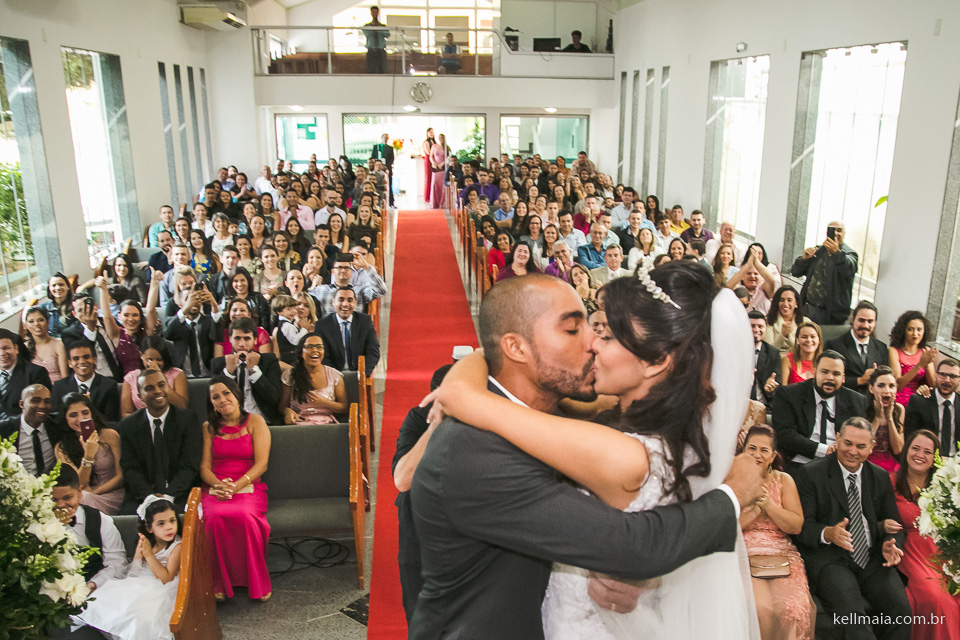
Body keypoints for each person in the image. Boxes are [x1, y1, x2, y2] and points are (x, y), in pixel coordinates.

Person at [410, 268, 763, 639]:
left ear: (657, 360)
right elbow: (631, 542)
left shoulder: (615, 443)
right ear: (516, 347)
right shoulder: (480, 450)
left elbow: (636, 543)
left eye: (604, 334)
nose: (592, 342)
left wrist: (467, 389)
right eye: (574, 329)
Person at [793, 417, 910, 640]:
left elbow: (894, 524)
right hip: (832, 559)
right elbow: (802, 528)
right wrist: (828, 533)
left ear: (872, 447)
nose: (852, 451)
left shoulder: (879, 476)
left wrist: (891, 543)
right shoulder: (811, 474)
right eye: (847, 443)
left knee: (901, 612)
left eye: (860, 446)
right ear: (837, 439)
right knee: (854, 619)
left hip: (873, 556)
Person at [738, 425, 815, 640]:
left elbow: (796, 525)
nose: (757, 454)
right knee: (760, 609)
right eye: (752, 448)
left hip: (782, 553)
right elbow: (727, 527)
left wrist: (768, 506)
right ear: (742, 451)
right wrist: (753, 509)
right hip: (745, 552)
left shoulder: (784, 480)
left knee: (793, 609)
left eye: (764, 450)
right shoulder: (732, 481)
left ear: (773, 456)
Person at [200, 376, 272, 601]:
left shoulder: (256, 422)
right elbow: (204, 466)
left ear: (237, 395)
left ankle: (256, 582)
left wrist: (237, 485)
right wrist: (218, 485)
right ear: (211, 403)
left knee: (245, 517)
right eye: (216, 397)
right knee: (212, 518)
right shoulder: (208, 427)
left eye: (226, 393)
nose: (222, 400)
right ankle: (219, 583)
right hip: (216, 486)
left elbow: (262, 464)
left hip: (249, 485)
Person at [392, 364, 453, 622]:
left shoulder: (482, 419)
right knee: (419, 606)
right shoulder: (418, 419)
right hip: (418, 517)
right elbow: (402, 479)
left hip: (463, 521)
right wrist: (434, 427)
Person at [76, 494, 183, 639]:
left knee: (137, 611)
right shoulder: (148, 543)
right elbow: (133, 572)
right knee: (110, 599)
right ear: (149, 528)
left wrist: (150, 556)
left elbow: (167, 578)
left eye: (172, 521)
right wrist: (139, 555)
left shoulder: (177, 546)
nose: (169, 527)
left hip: (161, 587)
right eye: (161, 524)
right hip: (141, 580)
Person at [890, 429, 960, 640]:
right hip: (911, 550)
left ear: (935, 458)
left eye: (928, 451)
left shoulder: (944, 486)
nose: (920, 455)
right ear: (906, 451)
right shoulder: (889, 481)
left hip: (941, 548)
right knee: (936, 598)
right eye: (915, 448)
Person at [118, 369, 202, 514]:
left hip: (180, 492)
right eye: (149, 388)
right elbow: (131, 468)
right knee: (129, 519)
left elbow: (189, 466)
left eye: (161, 385)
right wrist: (150, 497)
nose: (157, 391)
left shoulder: (187, 420)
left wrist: (168, 496)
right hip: (144, 495)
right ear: (140, 397)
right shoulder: (128, 426)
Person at [771, 350, 869, 468]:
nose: (830, 378)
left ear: (843, 378)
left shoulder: (857, 401)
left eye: (836, 374)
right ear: (815, 372)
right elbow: (785, 435)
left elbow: (859, 438)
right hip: (801, 463)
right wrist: (824, 450)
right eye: (825, 372)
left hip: (840, 465)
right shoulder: (789, 395)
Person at [52, 466, 125, 604]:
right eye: (54, 499)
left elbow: (117, 562)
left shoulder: (100, 520)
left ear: (80, 492)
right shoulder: (35, 525)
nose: (61, 505)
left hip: (95, 595)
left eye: (67, 497)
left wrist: (93, 584)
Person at [54, 392, 125, 514]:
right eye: (73, 415)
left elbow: (121, 477)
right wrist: (88, 455)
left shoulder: (110, 435)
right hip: (82, 494)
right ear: (65, 419)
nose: (81, 419)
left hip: (111, 493)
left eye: (85, 413)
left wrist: (93, 493)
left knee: (83, 498)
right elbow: (79, 484)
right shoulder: (61, 448)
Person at [210, 317, 284, 426]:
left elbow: (274, 398)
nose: (242, 344)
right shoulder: (219, 363)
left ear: (255, 340)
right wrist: (228, 373)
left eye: (247, 339)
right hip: (231, 422)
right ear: (230, 339)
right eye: (237, 338)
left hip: (264, 421)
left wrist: (254, 370)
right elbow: (215, 400)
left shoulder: (268, 360)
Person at [790, 221, 859, 325]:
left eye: (839, 230)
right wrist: (803, 259)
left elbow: (848, 269)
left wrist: (836, 253)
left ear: (844, 234)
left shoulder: (850, 254)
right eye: (832, 230)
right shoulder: (818, 251)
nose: (836, 233)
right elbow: (795, 272)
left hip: (831, 315)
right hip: (808, 308)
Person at [279, 334, 348, 425]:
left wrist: (324, 402)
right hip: (299, 424)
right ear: (301, 352)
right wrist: (287, 411)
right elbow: (282, 407)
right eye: (309, 347)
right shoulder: (290, 375)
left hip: (327, 425)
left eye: (319, 347)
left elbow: (344, 407)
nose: (315, 350)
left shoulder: (335, 375)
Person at [825, 300, 889, 395]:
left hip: (871, 402)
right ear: (853, 319)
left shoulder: (881, 348)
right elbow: (827, 378)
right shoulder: (834, 345)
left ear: (875, 323)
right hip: (843, 399)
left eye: (870, 321)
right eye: (861, 320)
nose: (865, 325)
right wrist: (859, 380)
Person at [314, 286, 380, 375]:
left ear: (355, 303)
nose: (345, 304)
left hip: (359, 374)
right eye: (341, 300)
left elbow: (373, 351)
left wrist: (363, 374)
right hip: (332, 375)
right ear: (333, 302)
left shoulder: (365, 321)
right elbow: (322, 356)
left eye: (350, 300)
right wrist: (334, 377)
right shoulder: (322, 325)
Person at [53, 341, 122, 423]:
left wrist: (90, 407)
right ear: (70, 363)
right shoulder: (59, 386)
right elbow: (57, 419)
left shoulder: (109, 386)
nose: (81, 361)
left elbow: (111, 420)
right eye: (76, 358)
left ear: (94, 359)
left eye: (86, 357)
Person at [904, 357, 960, 457]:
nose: (947, 380)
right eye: (943, 375)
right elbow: (910, 437)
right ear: (936, 375)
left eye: (953, 376)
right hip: (926, 460)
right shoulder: (919, 401)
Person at [0, 384, 60, 475]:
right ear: (22, 404)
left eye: (47, 401)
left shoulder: (56, 426)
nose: (42, 406)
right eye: (36, 400)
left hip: (52, 485)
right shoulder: (4, 429)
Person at [309, 252, 387, 317]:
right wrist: (310, 283)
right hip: (329, 332)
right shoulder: (321, 290)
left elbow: (381, 290)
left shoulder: (360, 290)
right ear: (332, 271)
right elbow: (305, 298)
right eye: (339, 267)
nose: (343, 270)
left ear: (351, 272)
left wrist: (366, 267)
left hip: (354, 331)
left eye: (346, 268)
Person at [0, 328, 53, 421]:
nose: (2, 353)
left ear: (16, 348)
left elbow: (42, 411)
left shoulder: (36, 373)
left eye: (6, 348)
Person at [889, 310, 937, 406]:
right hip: (898, 399)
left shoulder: (925, 351)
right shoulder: (894, 351)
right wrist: (919, 365)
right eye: (910, 329)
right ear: (904, 331)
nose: (915, 334)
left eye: (919, 330)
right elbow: (898, 385)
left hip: (918, 398)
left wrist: (927, 364)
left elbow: (933, 385)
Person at [864, 366, 905, 473]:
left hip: (890, 463)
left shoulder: (899, 409)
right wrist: (877, 418)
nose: (887, 391)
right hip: (866, 461)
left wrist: (890, 418)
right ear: (871, 389)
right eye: (881, 386)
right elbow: (862, 445)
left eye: (891, 386)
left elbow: (898, 449)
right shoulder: (862, 406)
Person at [22, 305, 68, 382]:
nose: (36, 324)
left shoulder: (58, 345)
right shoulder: (25, 348)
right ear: (26, 325)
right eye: (31, 321)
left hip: (57, 389)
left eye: (40, 320)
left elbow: (65, 377)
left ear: (47, 322)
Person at [749, 311, 781, 407]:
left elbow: (778, 387)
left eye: (760, 326)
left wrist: (770, 390)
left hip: (765, 407)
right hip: (739, 407)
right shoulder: (735, 352)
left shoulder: (773, 353)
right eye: (752, 326)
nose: (756, 329)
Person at [40, 272, 77, 338]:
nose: (57, 288)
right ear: (49, 289)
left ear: (68, 287)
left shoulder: (76, 305)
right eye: (54, 285)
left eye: (61, 284)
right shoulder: (44, 308)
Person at [362, 5, 389, 74]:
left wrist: (380, 28)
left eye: (376, 12)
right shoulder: (367, 26)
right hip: (371, 49)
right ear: (371, 13)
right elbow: (367, 34)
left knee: (382, 68)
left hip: (380, 49)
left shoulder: (382, 26)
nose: (375, 14)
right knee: (371, 68)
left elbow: (387, 35)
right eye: (373, 12)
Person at [372, 133, 396, 207]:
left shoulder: (390, 148)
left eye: (387, 138)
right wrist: (378, 165)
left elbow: (392, 159)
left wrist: (385, 166)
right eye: (384, 138)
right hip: (377, 169)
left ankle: (391, 202)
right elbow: (373, 157)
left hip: (387, 168)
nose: (386, 140)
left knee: (389, 185)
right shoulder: (376, 147)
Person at [422, 128, 436, 202]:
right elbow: (429, 152)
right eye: (430, 132)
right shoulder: (426, 142)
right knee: (428, 178)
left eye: (432, 132)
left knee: (433, 178)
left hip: (434, 160)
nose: (431, 133)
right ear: (427, 133)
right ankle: (428, 196)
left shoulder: (434, 141)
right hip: (428, 160)